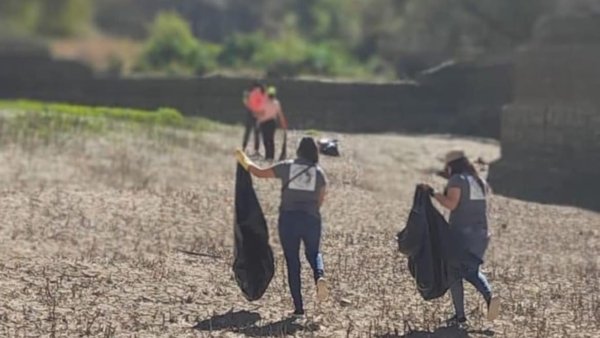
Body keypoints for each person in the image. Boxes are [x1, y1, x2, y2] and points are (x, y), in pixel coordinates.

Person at [235, 137, 328, 318]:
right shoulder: (319, 173)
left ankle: (299, 309)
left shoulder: (288, 166)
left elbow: (259, 173)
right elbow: (320, 200)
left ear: (299, 150)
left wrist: (243, 159)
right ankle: (319, 275)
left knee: (293, 262)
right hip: (311, 219)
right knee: (314, 253)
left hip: (289, 219)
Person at [422, 150, 500, 326]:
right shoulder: (477, 180)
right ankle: (461, 315)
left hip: (462, 234)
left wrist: (433, 193)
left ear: (451, 165)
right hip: (480, 232)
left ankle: (488, 299)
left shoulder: (457, 180)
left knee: (464, 272)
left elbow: (451, 203)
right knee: (460, 271)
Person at [255, 86, 288, 160]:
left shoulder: (264, 103)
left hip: (264, 123)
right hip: (272, 123)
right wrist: (283, 123)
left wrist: (258, 121)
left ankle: (268, 156)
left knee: (265, 140)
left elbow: (260, 113)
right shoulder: (276, 103)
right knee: (271, 139)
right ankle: (271, 156)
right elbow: (280, 114)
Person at [242, 82, 265, 155]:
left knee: (248, 132)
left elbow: (246, 103)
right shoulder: (261, 95)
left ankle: (244, 148)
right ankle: (256, 150)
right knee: (256, 133)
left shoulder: (250, 94)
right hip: (256, 115)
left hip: (251, 114)